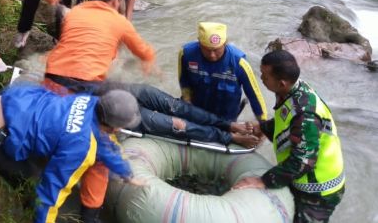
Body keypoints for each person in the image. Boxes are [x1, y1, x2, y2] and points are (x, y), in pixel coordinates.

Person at [0, 84, 144, 223]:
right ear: (114, 126)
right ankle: (26, 212)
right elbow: (51, 194)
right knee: (30, 180)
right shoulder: (80, 146)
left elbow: (103, 141)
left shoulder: (90, 101)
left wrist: (125, 171)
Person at [42, 0, 156, 222]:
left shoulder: (75, 12)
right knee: (100, 148)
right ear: (116, 0)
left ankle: (48, 175)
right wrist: (150, 63)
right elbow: (142, 49)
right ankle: (90, 213)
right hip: (83, 87)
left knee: (60, 131)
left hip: (51, 81)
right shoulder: (118, 20)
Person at [233, 50, 345, 223]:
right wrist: (263, 128)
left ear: (282, 83)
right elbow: (286, 122)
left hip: (318, 190)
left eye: (265, 76)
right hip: (303, 179)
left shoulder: (305, 114)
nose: (261, 78)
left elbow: (303, 161)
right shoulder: (295, 91)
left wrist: (264, 181)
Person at [102, 83, 258, 148]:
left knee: (178, 107)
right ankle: (229, 137)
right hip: (116, 111)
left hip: (122, 90)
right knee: (175, 125)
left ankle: (228, 124)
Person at [179, 22, 268, 122]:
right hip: (197, 111)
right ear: (199, 43)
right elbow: (184, 79)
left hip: (226, 116)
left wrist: (262, 123)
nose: (212, 55)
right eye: (207, 50)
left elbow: (254, 94)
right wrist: (187, 99)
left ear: (225, 43)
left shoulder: (239, 62)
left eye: (216, 50)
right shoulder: (186, 54)